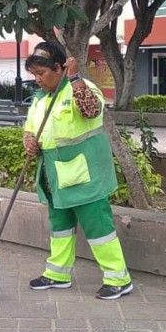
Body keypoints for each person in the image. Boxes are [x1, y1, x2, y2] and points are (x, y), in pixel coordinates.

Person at [22, 42, 133, 300]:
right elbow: (30, 128)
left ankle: (118, 277)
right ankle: (58, 273)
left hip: (85, 174)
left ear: (60, 68)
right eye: (35, 75)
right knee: (59, 226)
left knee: (98, 226)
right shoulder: (41, 100)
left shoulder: (79, 88)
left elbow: (91, 109)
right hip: (55, 175)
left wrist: (74, 77)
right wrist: (28, 140)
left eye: (42, 73)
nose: (37, 80)